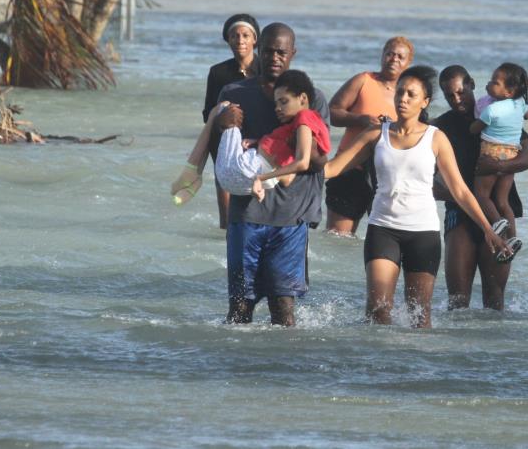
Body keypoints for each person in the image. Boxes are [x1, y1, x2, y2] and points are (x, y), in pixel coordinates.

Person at [324, 66, 511, 328]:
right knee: (377, 311)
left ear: (424, 102)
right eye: (400, 92)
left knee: (419, 317)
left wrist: (488, 229)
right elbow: (330, 169)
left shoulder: (436, 138)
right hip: (383, 229)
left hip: (423, 234)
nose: (402, 99)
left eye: (411, 95)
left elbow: (459, 190)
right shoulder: (376, 134)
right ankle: (376, 367)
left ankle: (415, 368)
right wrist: (287, 166)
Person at [213, 23, 329, 327]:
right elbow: (222, 159)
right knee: (240, 309)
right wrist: (220, 121)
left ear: (293, 53)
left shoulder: (311, 98)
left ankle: (283, 372)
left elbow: (318, 162)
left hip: (290, 219)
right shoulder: (234, 94)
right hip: (246, 213)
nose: (275, 57)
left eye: (282, 52)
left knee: (283, 310)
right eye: (268, 51)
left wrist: (294, 138)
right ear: (258, 51)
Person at [434, 65, 528, 311]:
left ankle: (494, 349)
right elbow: (430, 182)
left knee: (494, 298)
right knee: (457, 302)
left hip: (500, 214)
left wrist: (498, 165)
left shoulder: (500, 112)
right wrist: (461, 196)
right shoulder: (440, 127)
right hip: (460, 214)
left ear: (471, 84)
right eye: (449, 95)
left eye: (461, 91)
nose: (456, 99)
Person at [175, 69, 330, 200]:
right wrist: (258, 142)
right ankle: (192, 177)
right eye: (276, 103)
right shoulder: (306, 123)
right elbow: (288, 176)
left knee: (224, 108)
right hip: (250, 179)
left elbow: (302, 163)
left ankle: (192, 173)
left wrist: (260, 178)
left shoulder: (304, 118)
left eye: (283, 101)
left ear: (303, 99)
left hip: (242, 171)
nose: (277, 108)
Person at [171, 15, 260, 216]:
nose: (240, 40)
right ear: (227, 40)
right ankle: (225, 233)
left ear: (255, 40)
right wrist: (224, 114)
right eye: (234, 36)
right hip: (223, 137)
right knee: (226, 203)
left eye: (245, 35)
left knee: (256, 194)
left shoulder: (266, 68)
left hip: (256, 138)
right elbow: (207, 112)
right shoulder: (218, 72)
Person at [326, 36, 414, 237]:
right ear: (382, 56)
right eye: (390, 53)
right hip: (350, 169)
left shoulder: (409, 95)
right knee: (338, 238)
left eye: (400, 57)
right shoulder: (364, 80)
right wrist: (362, 120)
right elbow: (332, 112)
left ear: (408, 63)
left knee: (383, 239)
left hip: (387, 175)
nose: (394, 59)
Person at [469, 63, 528, 259]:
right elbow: (525, 114)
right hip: (512, 153)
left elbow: (475, 129)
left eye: (495, 82)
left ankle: (496, 222)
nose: (490, 83)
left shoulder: (492, 110)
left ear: (509, 91)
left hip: (491, 153)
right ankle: (513, 237)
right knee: (502, 200)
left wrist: (474, 124)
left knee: (482, 195)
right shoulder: (520, 104)